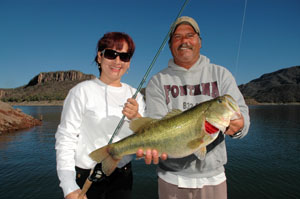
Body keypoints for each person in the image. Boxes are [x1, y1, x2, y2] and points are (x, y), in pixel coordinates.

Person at [137, 16, 250, 199]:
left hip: (213, 178)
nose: (184, 41)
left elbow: (243, 120)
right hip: (170, 178)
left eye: (190, 35)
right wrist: (150, 146)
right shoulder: (157, 81)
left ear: (199, 41)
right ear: (170, 44)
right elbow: (156, 123)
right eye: (177, 37)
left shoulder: (221, 74)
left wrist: (238, 127)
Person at [55, 32, 145, 199]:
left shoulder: (136, 95)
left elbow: (145, 136)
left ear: (129, 63)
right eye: (111, 54)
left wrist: (136, 117)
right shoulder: (80, 92)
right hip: (87, 175)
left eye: (124, 56)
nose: (117, 61)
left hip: (123, 177)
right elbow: (65, 138)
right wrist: (68, 186)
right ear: (99, 57)